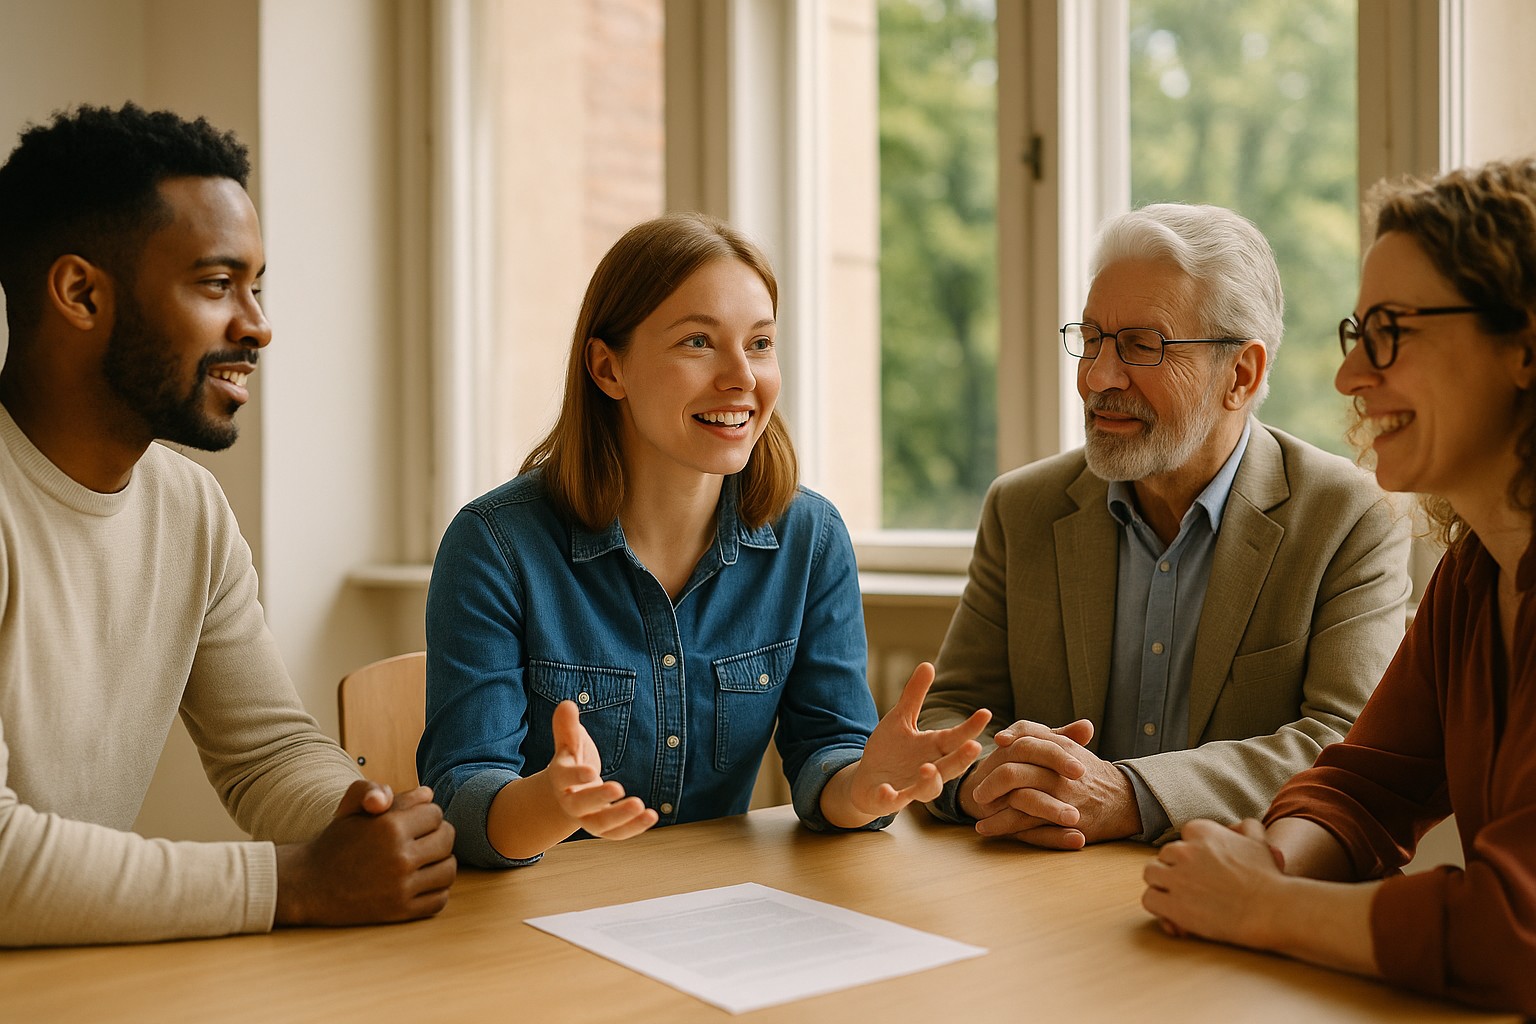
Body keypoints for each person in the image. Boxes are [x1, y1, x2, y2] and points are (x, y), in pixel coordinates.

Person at [0, 103, 455, 946]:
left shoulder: (189, 508)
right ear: (79, 293)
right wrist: (295, 883)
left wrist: (363, 817)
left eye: (257, 285)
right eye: (217, 285)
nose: (258, 324)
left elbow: (267, 753)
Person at [418, 212, 990, 867]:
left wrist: (862, 789)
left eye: (760, 343)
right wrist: (553, 803)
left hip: (717, 918)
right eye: (698, 342)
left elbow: (828, 751)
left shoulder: (811, 538)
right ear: (608, 369)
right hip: (531, 923)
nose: (741, 377)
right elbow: (460, 800)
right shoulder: (494, 547)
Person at [1142, 159, 1536, 1015]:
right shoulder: (1475, 577)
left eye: (1391, 329)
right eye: (1357, 330)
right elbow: (1368, 783)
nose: (1350, 375)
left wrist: (1263, 907)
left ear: (1526, 345)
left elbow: (1518, 936)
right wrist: (1272, 861)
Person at [918, 203, 1413, 847]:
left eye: (1140, 346)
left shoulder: (1349, 518)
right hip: (1045, 876)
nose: (1097, 377)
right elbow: (951, 713)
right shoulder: (1023, 508)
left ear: (1242, 374)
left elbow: (1343, 741)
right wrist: (989, 777)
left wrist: (1129, 796)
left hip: (1242, 884)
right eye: (1092, 338)